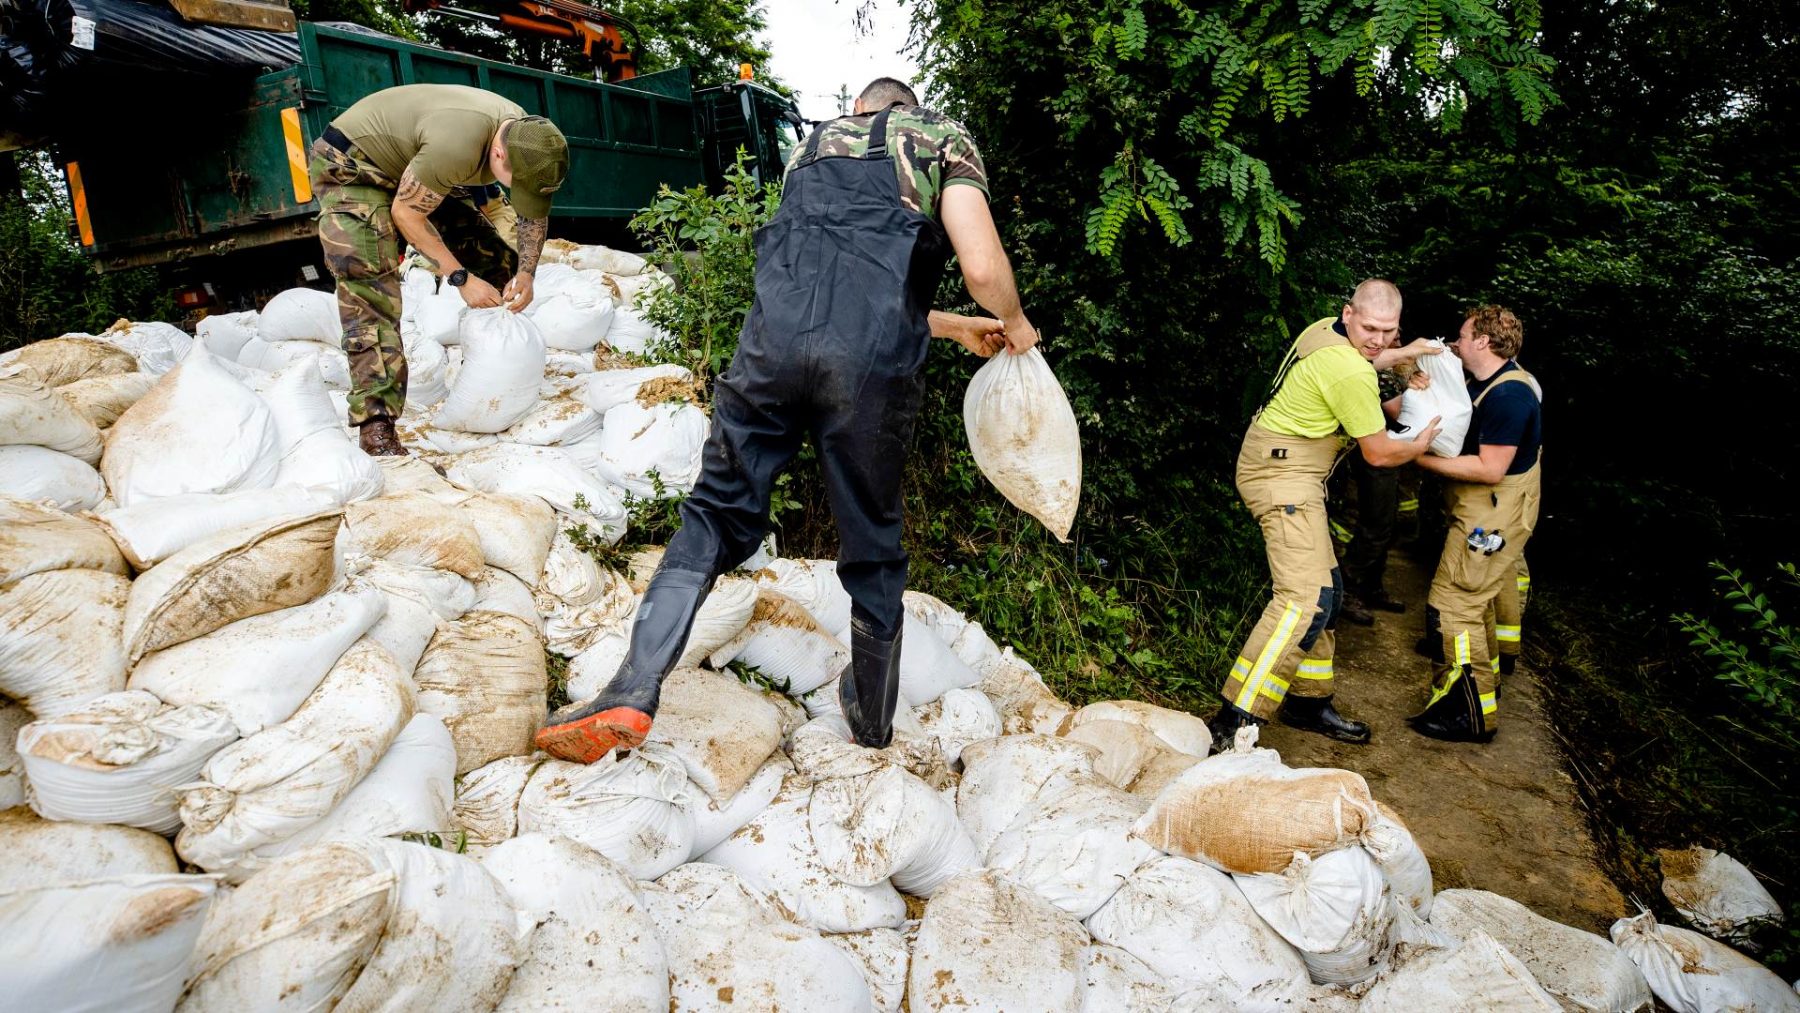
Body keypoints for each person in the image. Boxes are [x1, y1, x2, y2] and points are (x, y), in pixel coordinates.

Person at [536, 77, 1037, 762]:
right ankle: (871, 721)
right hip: (869, 370)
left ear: (859, 109)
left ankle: (633, 684)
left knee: (714, 513)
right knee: (873, 541)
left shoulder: (812, 147)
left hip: (770, 348)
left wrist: (951, 327)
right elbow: (977, 268)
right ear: (909, 109)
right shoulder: (940, 138)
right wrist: (1013, 320)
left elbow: (834, 280)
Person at [1208, 280, 1441, 748]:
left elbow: (1366, 359)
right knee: (1303, 599)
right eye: (1370, 328)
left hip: (1281, 467)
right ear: (1349, 313)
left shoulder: (1326, 330)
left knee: (1328, 592)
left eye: (1388, 331)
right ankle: (1234, 720)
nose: (1377, 340)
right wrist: (1418, 445)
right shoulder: (1348, 371)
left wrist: (1405, 353)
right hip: (1283, 478)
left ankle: (1308, 702)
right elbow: (1379, 453)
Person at [309, 84, 569, 457]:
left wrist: (526, 273)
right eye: (519, 185)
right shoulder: (456, 145)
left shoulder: (531, 140)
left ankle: (495, 368)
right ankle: (376, 426)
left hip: (415, 165)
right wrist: (460, 278)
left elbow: (531, 217)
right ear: (498, 153)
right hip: (354, 166)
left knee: (495, 259)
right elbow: (406, 214)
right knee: (371, 289)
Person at [1410, 305, 1542, 742]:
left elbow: (1490, 468)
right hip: (1484, 511)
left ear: (1483, 341)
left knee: (1453, 606)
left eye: (1463, 335)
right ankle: (1482, 694)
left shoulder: (1510, 396)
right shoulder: (1483, 382)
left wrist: (1417, 458)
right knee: (1473, 604)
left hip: (1492, 519)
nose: (1456, 342)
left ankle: (1468, 714)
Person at [1339, 334, 1431, 625]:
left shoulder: (1395, 373)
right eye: (1394, 338)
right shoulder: (1378, 373)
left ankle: (1372, 586)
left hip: (1391, 455)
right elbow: (1398, 412)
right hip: (1375, 456)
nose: (1397, 342)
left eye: (1400, 336)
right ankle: (1347, 589)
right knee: (1375, 525)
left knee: (1387, 524)